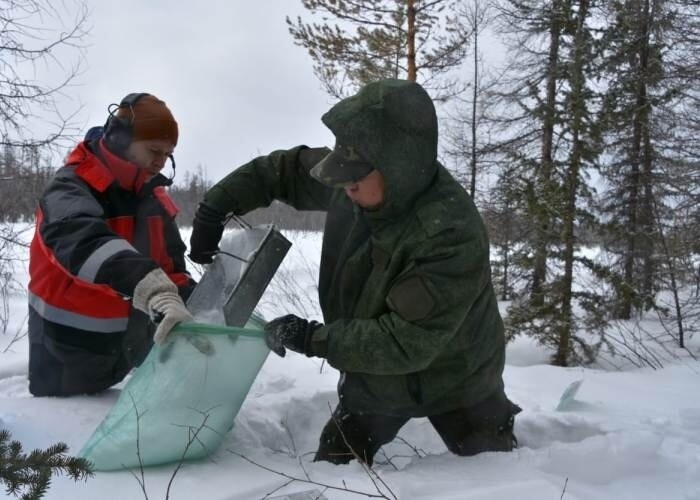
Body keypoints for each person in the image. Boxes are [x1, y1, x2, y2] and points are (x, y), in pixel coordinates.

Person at [189, 79, 520, 465]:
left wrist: (312, 337)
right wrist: (215, 207)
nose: (345, 189)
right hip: (376, 384)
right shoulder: (356, 177)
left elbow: (403, 342)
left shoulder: (448, 233)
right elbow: (281, 172)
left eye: (355, 180)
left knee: (500, 478)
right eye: (343, 178)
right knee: (335, 475)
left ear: (398, 168)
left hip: (460, 380)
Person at [28, 92, 195, 397]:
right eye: (154, 150)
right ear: (120, 139)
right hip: (65, 354)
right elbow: (81, 239)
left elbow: (171, 267)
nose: (160, 162)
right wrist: (152, 286)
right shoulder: (71, 186)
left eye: (167, 154)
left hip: (124, 353)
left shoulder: (153, 198)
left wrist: (197, 310)